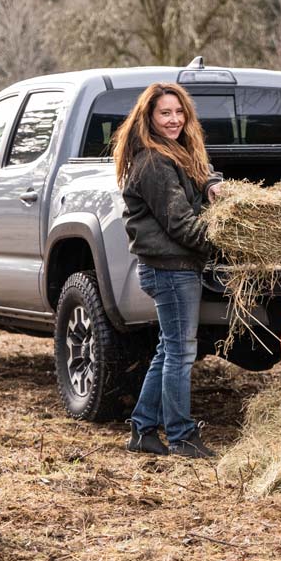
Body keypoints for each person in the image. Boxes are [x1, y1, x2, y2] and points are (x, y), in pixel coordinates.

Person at [113, 82, 223, 458]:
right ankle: (181, 436)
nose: (174, 119)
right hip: (170, 270)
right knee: (180, 353)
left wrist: (211, 185)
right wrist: (225, 243)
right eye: (165, 113)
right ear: (150, 117)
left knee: (168, 351)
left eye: (179, 112)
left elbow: (201, 174)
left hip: (172, 268)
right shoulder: (154, 163)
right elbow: (180, 224)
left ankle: (142, 430)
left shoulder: (174, 152)